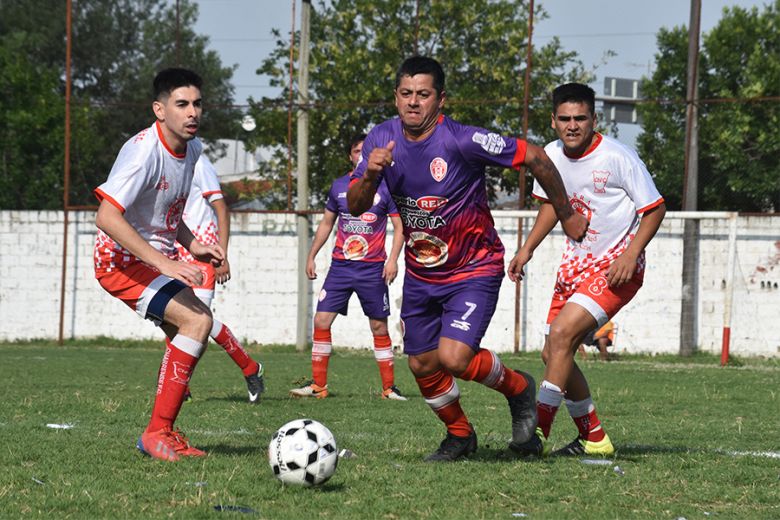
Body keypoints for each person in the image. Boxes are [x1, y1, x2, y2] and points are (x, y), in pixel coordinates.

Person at [347, 56, 589, 461]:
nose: (413, 103)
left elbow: (537, 158)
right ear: (395, 97)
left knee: (454, 357)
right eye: (406, 94)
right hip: (422, 273)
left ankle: (519, 388)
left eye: (423, 94)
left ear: (440, 99)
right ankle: (460, 436)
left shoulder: (462, 141)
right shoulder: (380, 140)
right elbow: (355, 208)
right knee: (422, 364)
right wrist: (370, 174)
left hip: (474, 266)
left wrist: (566, 213)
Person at [508, 83, 666, 457]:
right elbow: (551, 203)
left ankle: (537, 435)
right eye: (565, 119)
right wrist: (527, 248)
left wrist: (631, 254)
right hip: (574, 267)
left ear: (594, 120)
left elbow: (655, 208)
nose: (573, 126)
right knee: (553, 354)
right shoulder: (549, 156)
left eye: (581, 118)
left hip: (615, 269)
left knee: (562, 335)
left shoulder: (618, 157)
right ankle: (594, 437)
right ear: (553, 121)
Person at [94, 68, 219, 462]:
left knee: (189, 332)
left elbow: (163, 215)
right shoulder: (144, 151)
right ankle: (156, 433)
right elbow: (107, 217)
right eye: (181, 104)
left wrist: (193, 244)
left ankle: (162, 431)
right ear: (159, 109)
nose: (192, 112)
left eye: (197, 103)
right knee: (197, 322)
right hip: (118, 261)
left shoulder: (193, 150)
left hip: (146, 259)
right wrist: (165, 263)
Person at [290, 134, 407, 401]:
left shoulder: (386, 188)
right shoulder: (339, 187)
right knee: (321, 320)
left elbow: (400, 227)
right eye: (357, 151)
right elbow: (326, 224)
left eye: (366, 152)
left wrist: (392, 260)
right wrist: (311, 255)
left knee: (379, 327)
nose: (361, 156)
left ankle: (389, 389)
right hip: (340, 268)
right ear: (351, 156)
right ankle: (319, 386)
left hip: (372, 269)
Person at [175, 154, 265, 403]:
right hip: (173, 252)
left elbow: (221, 210)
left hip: (202, 252)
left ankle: (183, 387)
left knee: (199, 320)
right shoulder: (168, 163)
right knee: (174, 322)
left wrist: (221, 255)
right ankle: (247, 368)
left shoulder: (199, 164)